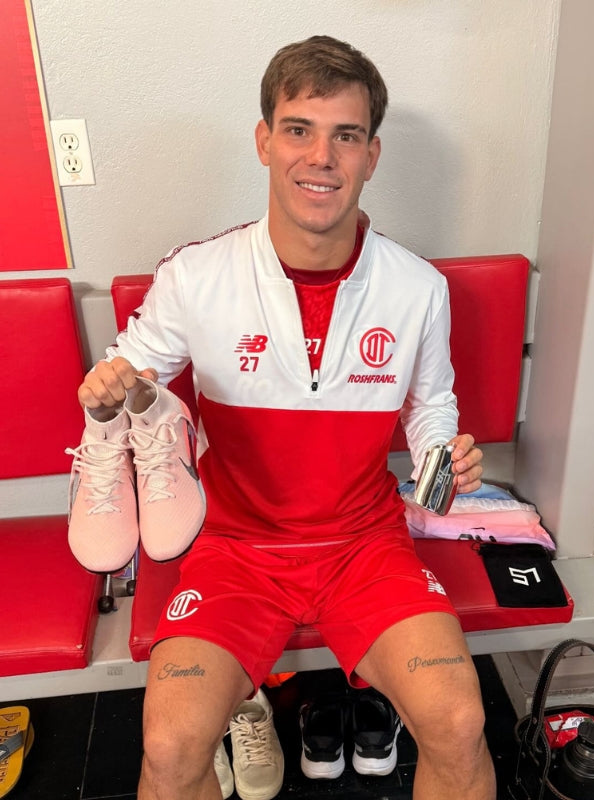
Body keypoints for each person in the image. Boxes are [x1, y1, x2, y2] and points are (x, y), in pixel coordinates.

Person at [78, 35, 495, 800]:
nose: (321, 157)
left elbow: (432, 407)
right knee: (169, 748)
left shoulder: (417, 288)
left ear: (372, 154)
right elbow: (130, 372)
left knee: (460, 722)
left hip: (362, 544)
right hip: (236, 548)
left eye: (346, 135)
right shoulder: (196, 276)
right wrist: (109, 387)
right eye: (299, 129)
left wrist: (446, 454)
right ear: (265, 141)